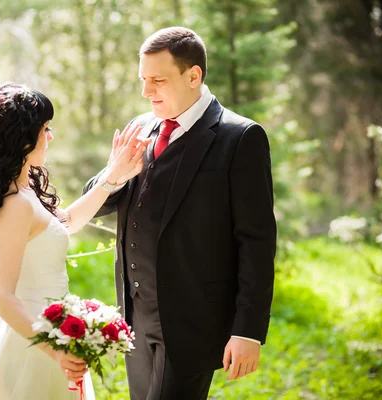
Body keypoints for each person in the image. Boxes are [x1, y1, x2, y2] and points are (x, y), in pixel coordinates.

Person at [83, 27, 277, 400]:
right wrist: (114, 173)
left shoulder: (241, 137)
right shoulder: (141, 127)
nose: (146, 91)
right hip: (134, 318)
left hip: (193, 321)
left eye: (157, 80)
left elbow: (256, 241)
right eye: (143, 79)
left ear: (193, 76)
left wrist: (247, 330)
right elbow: (96, 205)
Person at [0, 82, 148, 400]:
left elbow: (66, 223)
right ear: (22, 137)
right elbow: (0, 297)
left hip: (53, 331)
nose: (51, 136)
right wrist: (54, 350)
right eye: (45, 128)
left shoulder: (25, 188)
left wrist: (113, 175)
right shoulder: (14, 204)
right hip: (32, 341)